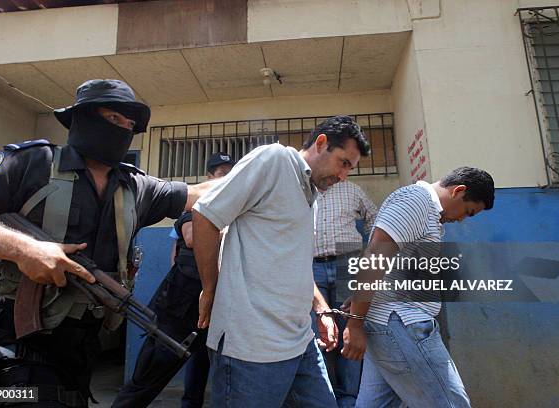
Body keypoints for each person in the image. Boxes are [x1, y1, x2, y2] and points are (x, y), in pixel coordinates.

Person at [0, 79, 213, 407]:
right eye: (114, 118)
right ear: (82, 118)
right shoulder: (32, 163)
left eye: (130, 125)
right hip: (11, 337)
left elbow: (201, 194)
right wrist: (24, 250)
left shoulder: (134, 186)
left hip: (81, 348)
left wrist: (271, 163)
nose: (124, 129)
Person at [192, 115, 371, 407]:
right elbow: (205, 215)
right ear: (321, 143)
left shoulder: (311, 194)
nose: (343, 176)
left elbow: (293, 264)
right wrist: (210, 289)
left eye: (350, 168)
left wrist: (321, 309)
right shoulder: (274, 160)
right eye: (343, 163)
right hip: (251, 347)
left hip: (299, 340)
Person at [341, 167, 495, 408]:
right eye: (468, 212)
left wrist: (362, 299)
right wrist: (355, 322)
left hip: (391, 323)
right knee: (450, 404)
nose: (461, 219)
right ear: (459, 191)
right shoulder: (417, 202)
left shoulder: (426, 211)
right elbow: (376, 256)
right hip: (401, 323)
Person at [112, 152, 235, 408]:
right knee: (151, 372)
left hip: (213, 303)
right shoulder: (195, 210)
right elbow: (191, 239)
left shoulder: (230, 213)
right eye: (221, 173)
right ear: (210, 178)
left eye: (230, 173)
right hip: (179, 305)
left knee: (208, 364)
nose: (227, 178)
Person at [312, 180, 377, 407]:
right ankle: (324, 396)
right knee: (319, 333)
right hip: (311, 265)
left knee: (350, 329)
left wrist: (370, 252)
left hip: (346, 263)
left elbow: (374, 219)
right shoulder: (303, 189)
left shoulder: (352, 189)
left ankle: (349, 398)